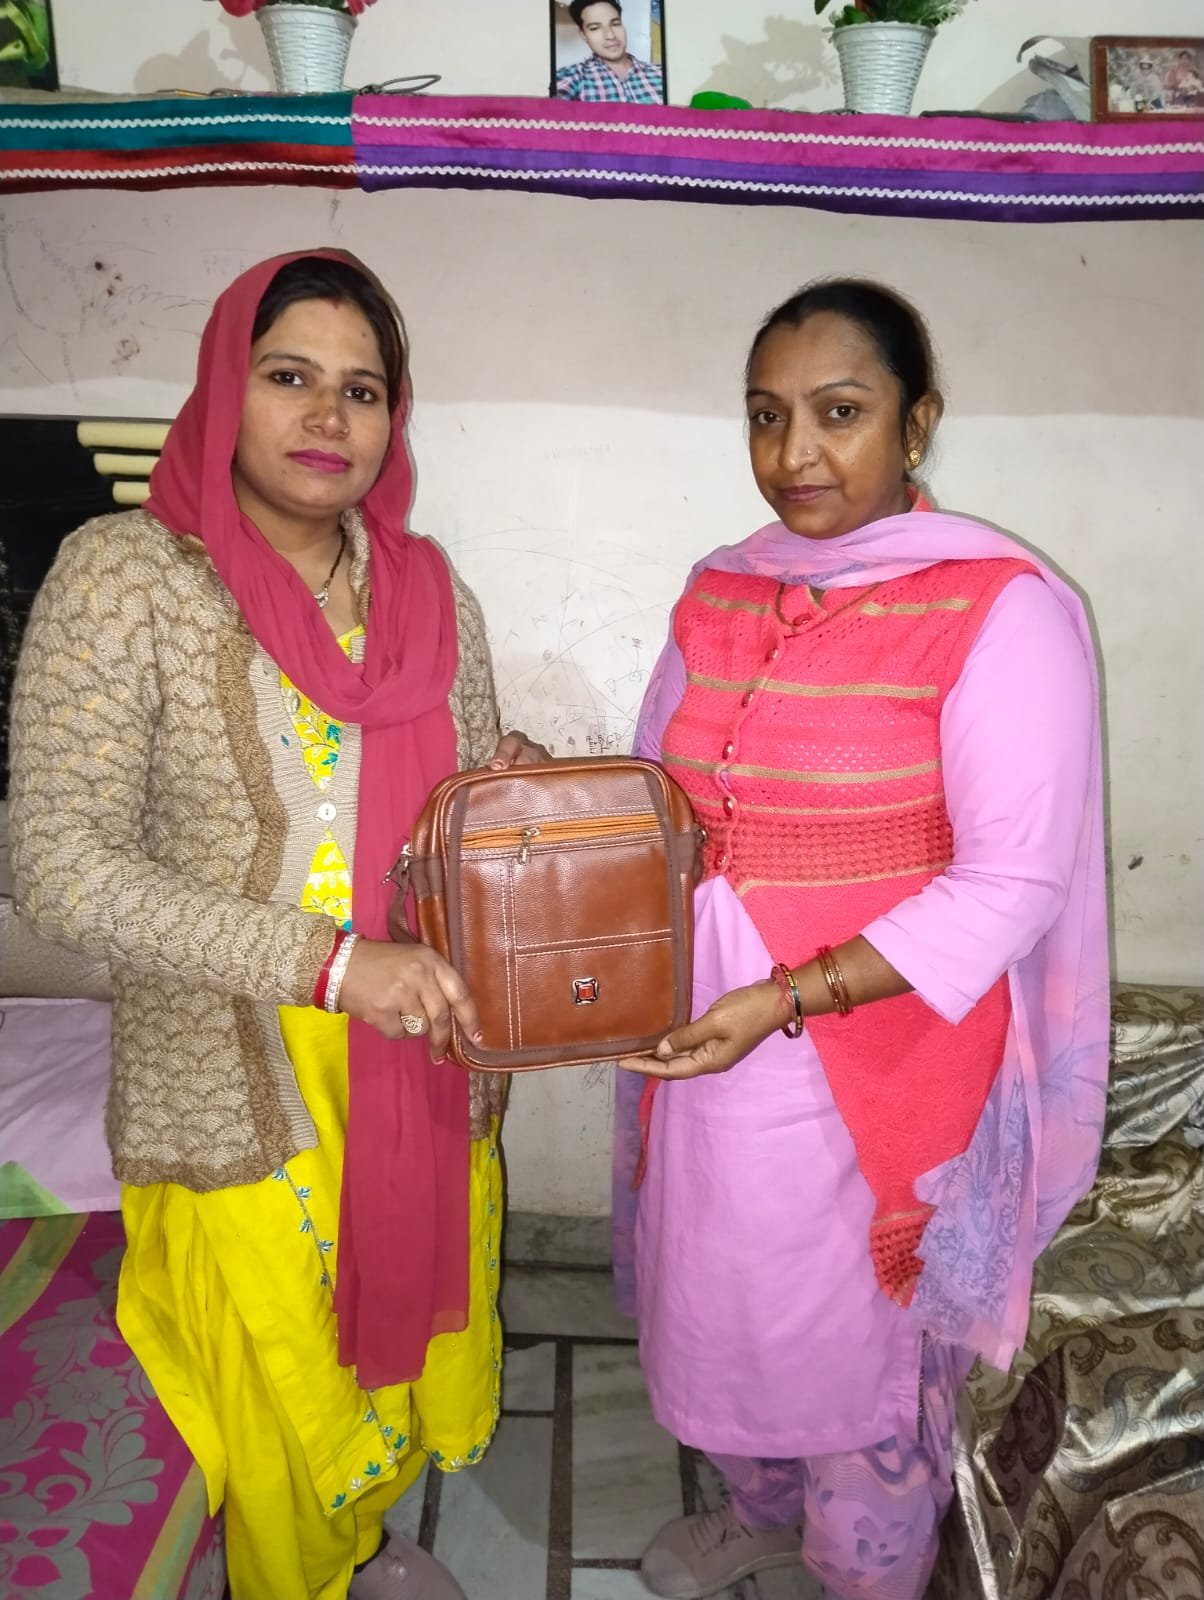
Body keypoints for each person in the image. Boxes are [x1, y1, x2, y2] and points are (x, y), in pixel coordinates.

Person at [9, 249, 548, 1600]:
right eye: (289, 376)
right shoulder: (126, 579)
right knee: (279, 1393)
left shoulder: (430, 594)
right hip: (233, 1071)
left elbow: (454, 829)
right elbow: (56, 868)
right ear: (222, 388)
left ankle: (359, 1549)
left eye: (361, 390)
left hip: (417, 1056)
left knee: (394, 1354)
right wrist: (327, 961)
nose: (326, 416)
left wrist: (509, 794)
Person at [613, 279, 1108, 1600]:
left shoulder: (997, 607)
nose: (795, 453)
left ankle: (864, 1569)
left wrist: (787, 996)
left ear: (917, 422)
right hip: (713, 1049)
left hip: (882, 1064)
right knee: (729, 1310)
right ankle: (762, 1512)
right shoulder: (721, 590)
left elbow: (1013, 881)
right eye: (765, 416)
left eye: (839, 413)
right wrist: (554, 793)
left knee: (863, 1359)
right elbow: (663, 801)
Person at [555, 0, 665, 104]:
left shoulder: (660, 74)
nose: (610, 36)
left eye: (615, 24)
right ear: (583, 35)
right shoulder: (572, 76)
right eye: (595, 28)